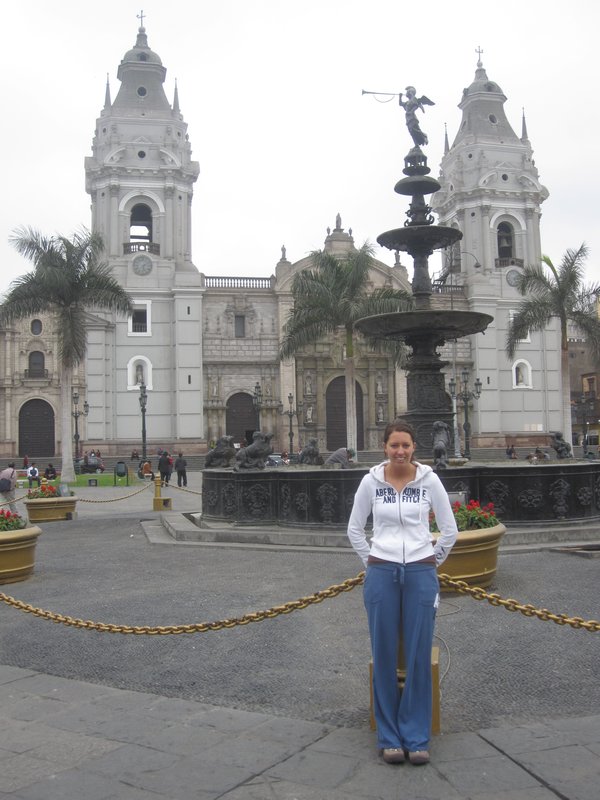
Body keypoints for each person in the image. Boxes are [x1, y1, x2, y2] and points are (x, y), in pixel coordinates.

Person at [347, 420, 458, 766]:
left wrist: (429, 562)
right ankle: (389, 735)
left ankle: (416, 734)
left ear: (414, 448)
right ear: (384, 447)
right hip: (382, 572)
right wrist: (373, 562)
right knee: (382, 653)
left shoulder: (429, 480)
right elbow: (354, 529)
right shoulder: (370, 482)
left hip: (420, 572)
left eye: (406, 445)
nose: (400, 451)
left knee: (418, 655)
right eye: (394, 445)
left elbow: (449, 530)